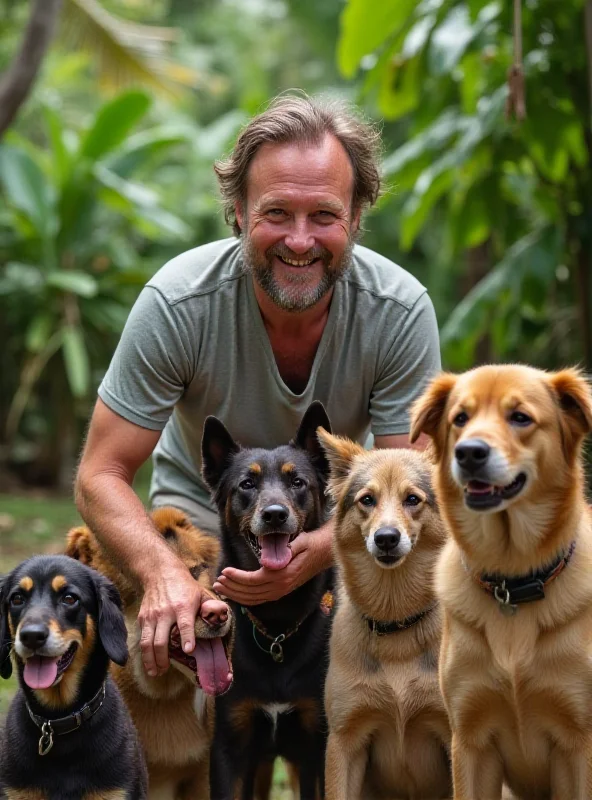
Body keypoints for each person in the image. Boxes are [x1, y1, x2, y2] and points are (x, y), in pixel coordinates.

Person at [75, 93, 441, 681]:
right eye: (276, 214)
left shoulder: (398, 311)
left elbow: (413, 484)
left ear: (354, 218)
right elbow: (100, 473)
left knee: (386, 650)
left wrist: (319, 551)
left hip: (339, 522)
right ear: (240, 212)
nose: (300, 240)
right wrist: (163, 572)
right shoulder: (177, 303)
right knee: (165, 659)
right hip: (202, 526)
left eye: (323, 215)